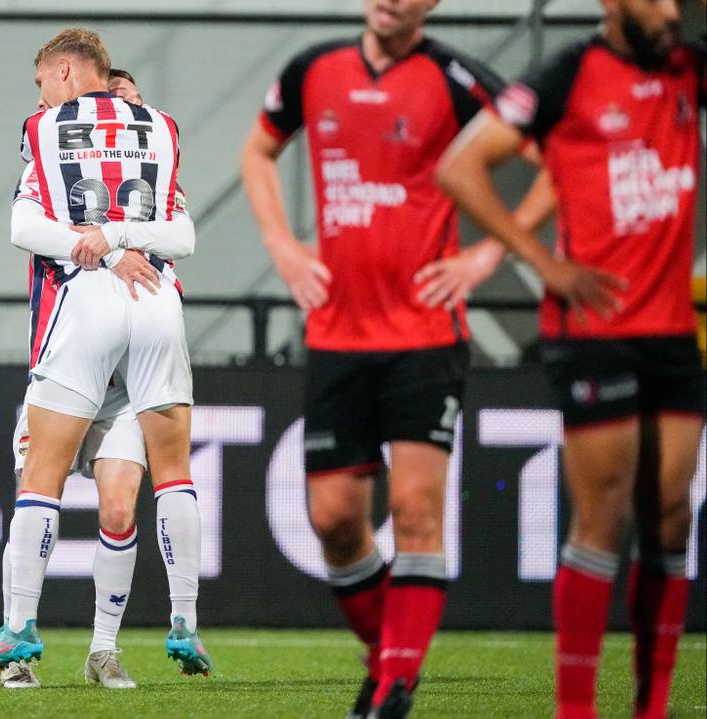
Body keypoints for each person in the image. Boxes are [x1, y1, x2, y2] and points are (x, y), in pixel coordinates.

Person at [238, 0, 550, 715]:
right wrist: (284, 246)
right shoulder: (312, 69)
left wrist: (491, 251)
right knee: (334, 518)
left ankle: (391, 688)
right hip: (337, 335)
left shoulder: (456, 77)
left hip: (424, 335)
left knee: (415, 512)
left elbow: (550, 162)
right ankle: (390, 662)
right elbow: (257, 151)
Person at [437, 1, 704, 716]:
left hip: (673, 330)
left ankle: (653, 707)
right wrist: (539, 262)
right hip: (593, 325)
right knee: (606, 515)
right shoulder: (566, 72)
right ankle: (576, 708)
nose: (672, 10)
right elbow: (462, 168)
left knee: (671, 517)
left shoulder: (686, 68)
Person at [0, 28, 212, 679]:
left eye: (45, 80)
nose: (42, 94)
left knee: (45, 481)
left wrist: (99, 242)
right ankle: (184, 619)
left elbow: (25, 224)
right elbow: (183, 233)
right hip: (156, 304)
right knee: (175, 473)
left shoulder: (44, 126)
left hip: (83, 307)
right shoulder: (162, 131)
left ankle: (26, 629)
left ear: (68, 73)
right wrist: (123, 237)